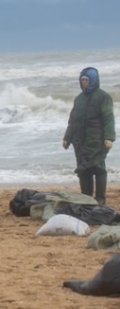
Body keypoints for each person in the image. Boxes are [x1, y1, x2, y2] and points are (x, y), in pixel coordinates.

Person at [62, 67, 115, 206]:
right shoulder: (79, 99)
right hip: (79, 142)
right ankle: (86, 200)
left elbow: (109, 118)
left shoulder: (103, 97)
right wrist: (67, 137)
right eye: (82, 80)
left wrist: (109, 138)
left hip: (96, 140)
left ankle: (100, 200)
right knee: (83, 170)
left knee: (98, 168)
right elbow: (72, 120)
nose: (84, 83)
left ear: (94, 80)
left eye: (86, 80)